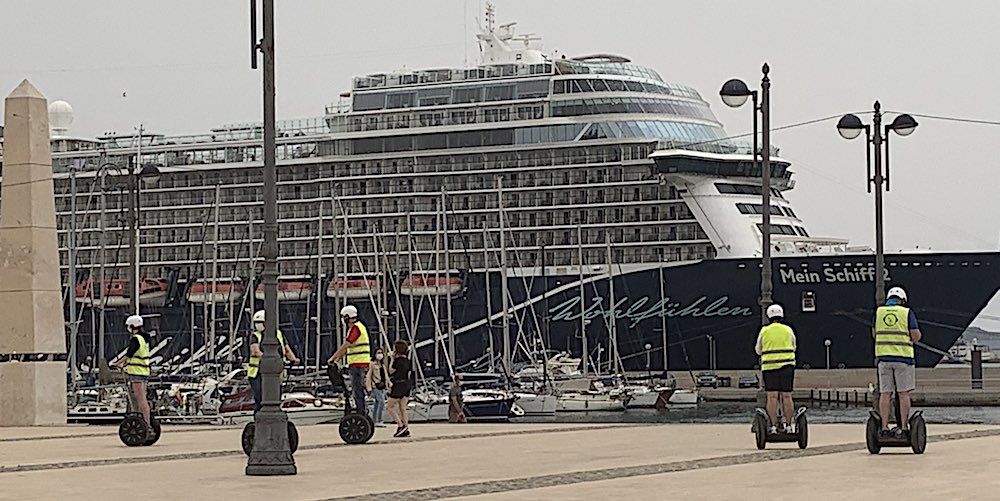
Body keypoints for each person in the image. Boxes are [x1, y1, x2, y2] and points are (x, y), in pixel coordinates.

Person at [873, 286, 922, 438]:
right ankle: (904, 428)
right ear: (902, 300)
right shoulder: (906, 313)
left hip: (883, 359)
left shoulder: (879, 312)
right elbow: (915, 335)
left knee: (885, 393)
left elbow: (875, 334)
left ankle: (884, 427)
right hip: (903, 359)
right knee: (903, 393)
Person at [754, 304, 797, 434]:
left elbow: (758, 349)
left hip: (770, 367)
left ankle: (773, 427)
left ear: (768, 316)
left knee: (772, 397)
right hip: (787, 367)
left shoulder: (764, 331)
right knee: (787, 396)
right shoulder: (788, 330)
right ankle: (789, 426)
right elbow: (794, 346)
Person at [247, 309, 299, 413]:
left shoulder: (279, 334)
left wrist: (294, 359)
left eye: (260, 322)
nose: (258, 325)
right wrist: (270, 359)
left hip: (276, 372)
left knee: (275, 396)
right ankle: (259, 417)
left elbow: (287, 349)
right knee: (260, 397)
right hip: (257, 374)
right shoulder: (255, 336)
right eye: (256, 323)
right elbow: (255, 351)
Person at [328, 305, 370, 415]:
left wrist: (333, 358)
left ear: (347, 317)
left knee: (357, 390)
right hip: (358, 362)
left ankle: (361, 412)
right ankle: (361, 410)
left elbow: (346, 345)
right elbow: (348, 349)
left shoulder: (356, 328)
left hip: (357, 363)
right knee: (357, 390)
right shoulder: (359, 327)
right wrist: (338, 359)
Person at [114, 315, 153, 434]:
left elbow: (129, 354)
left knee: (140, 399)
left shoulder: (136, 339)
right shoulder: (144, 339)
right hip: (145, 371)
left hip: (137, 373)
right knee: (143, 398)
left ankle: (146, 424)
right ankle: (146, 422)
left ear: (132, 326)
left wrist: (118, 363)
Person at [387, 339, 413, 437]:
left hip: (398, 385)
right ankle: (406, 428)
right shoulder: (408, 361)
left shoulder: (397, 361)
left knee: (389, 407)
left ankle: (400, 425)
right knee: (403, 408)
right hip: (406, 384)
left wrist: (392, 360)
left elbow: (391, 371)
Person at [365, 348, 389, 427]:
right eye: (378, 353)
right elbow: (368, 376)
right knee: (381, 402)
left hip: (383, 387)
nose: (380, 354)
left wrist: (389, 385)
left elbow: (386, 377)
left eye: (381, 353)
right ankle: (378, 419)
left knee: (377, 403)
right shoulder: (372, 364)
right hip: (376, 386)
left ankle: (375, 420)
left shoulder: (382, 365)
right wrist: (369, 387)